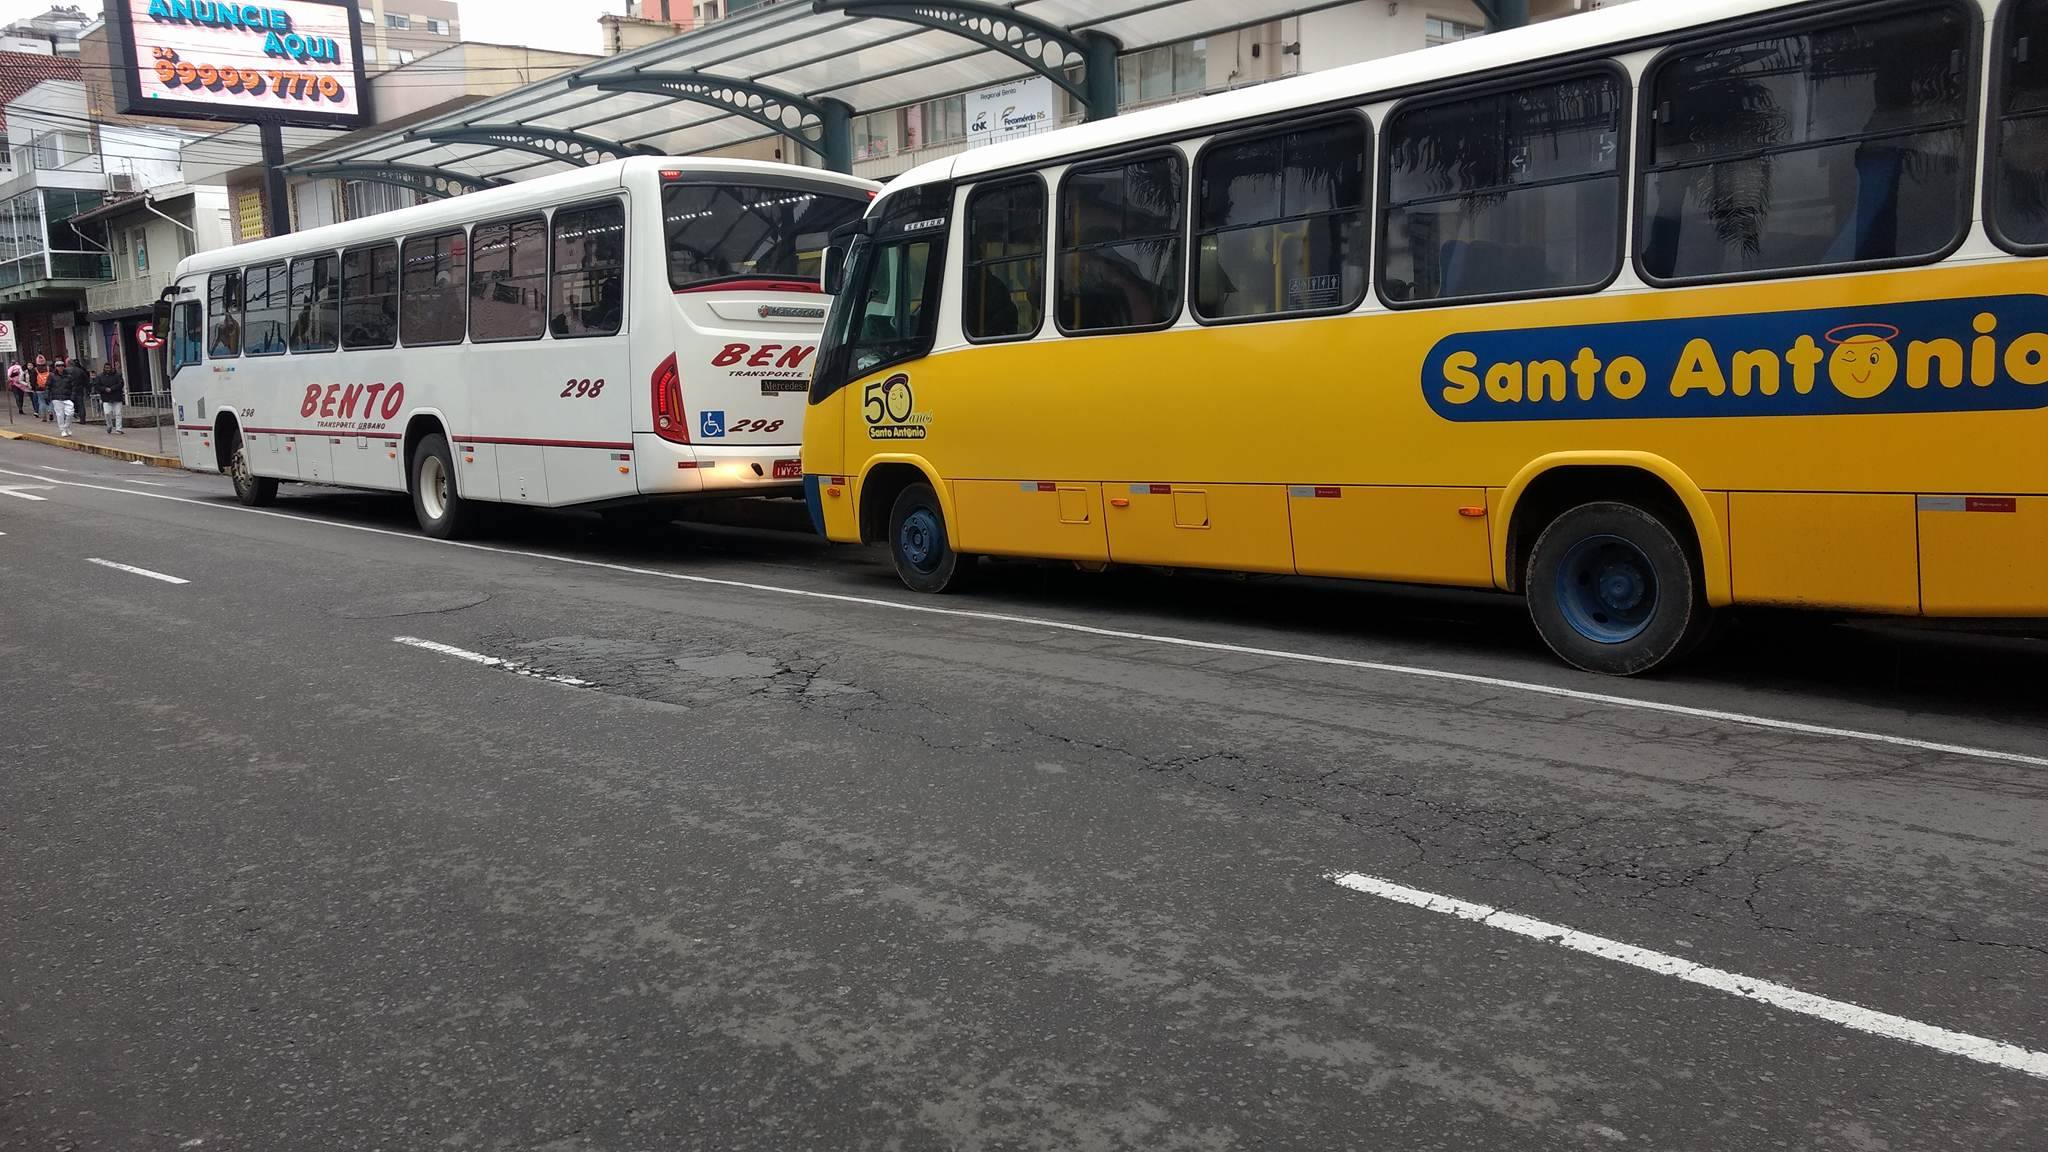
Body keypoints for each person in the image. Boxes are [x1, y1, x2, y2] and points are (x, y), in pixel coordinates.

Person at [93, 361, 124, 434]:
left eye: (109, 368)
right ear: (104, 368)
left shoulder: (117, 375)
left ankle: (118, 429)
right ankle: (109, 425)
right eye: (106, 368)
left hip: (117, 397)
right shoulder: (100, 377)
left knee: (118, 413)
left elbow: (121, 384)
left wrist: (112, 389)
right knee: (107, 413)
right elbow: (96, 386)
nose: (108, 369)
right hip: (106, 398)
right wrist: (104, 389)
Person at [30, 354, 50, 420]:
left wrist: (33, 388)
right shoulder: (48, 368)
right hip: (48, 388)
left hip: (39, 388)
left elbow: (32, 380)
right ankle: (50, 412)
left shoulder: (35, 370)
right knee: (49, 401)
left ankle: (44, 416)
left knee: (41, 402)